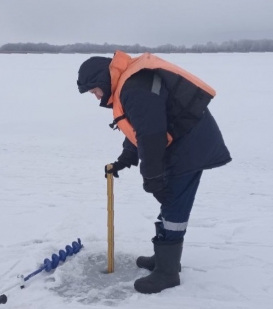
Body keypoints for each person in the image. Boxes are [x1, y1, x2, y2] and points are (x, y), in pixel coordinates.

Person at [77, 51, 231, 294]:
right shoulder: (129, 84)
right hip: (183, 143)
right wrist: (126, 159)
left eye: (94, 89)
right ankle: (164, 258)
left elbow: (151, 136)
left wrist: (152, 178)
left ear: (103, 79)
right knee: (169, 202)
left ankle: (168, 272)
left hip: (189, 147)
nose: (95, 96)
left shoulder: (133, 89)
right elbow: (140, 129)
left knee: (173, 205)